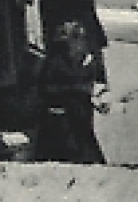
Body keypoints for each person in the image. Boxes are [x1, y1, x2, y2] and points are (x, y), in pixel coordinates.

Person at [36, 21, 109, 164]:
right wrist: (77, 89)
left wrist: (98, 97)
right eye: (77, 38)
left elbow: (98, 85)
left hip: (81, 114)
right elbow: (46, 89)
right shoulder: (56, 63)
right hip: (60, 116)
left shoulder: (89, 61)